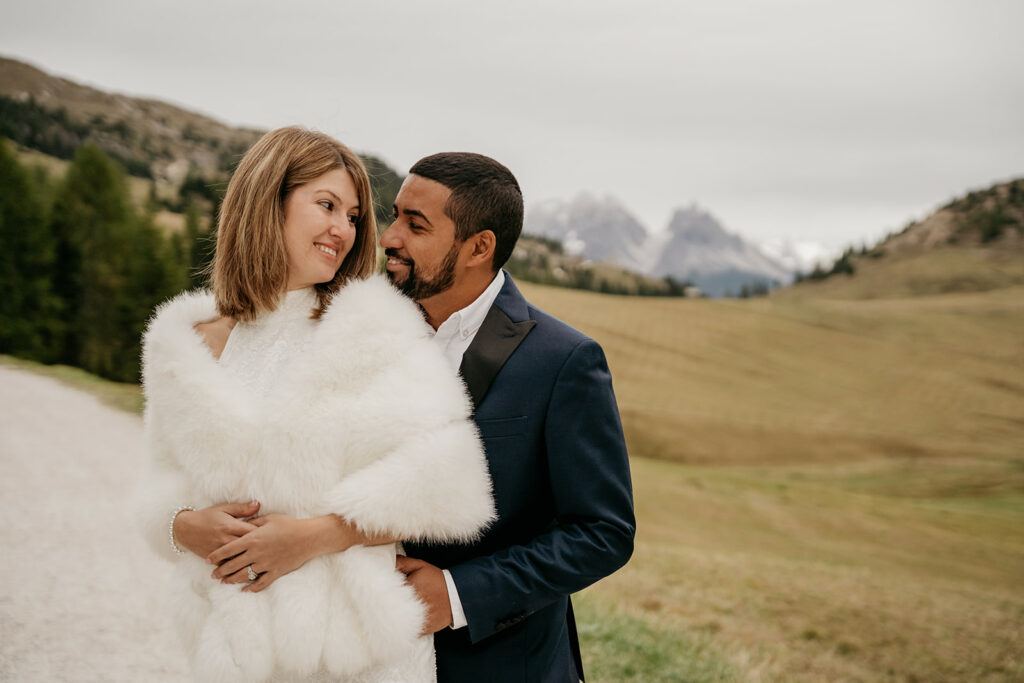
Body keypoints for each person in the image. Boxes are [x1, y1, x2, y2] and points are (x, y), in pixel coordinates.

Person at [135, 127, 495, 683]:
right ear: (266, 201)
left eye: (352, 216)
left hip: (355, 655)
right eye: (326, 205)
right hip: (233, 647)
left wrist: (315, 536)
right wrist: (183, 526)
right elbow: (157, 485)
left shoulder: (372, 328)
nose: (343, 230)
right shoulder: (185, 345)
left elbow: (447, 483)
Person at [383, 153, 636, 683]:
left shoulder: (563, 360)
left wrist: (457, 595)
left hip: (500, 665)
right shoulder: (366, 332)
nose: (389, 237)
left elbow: (602, 532)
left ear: (479, 247)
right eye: (395, 216)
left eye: (415, 224)